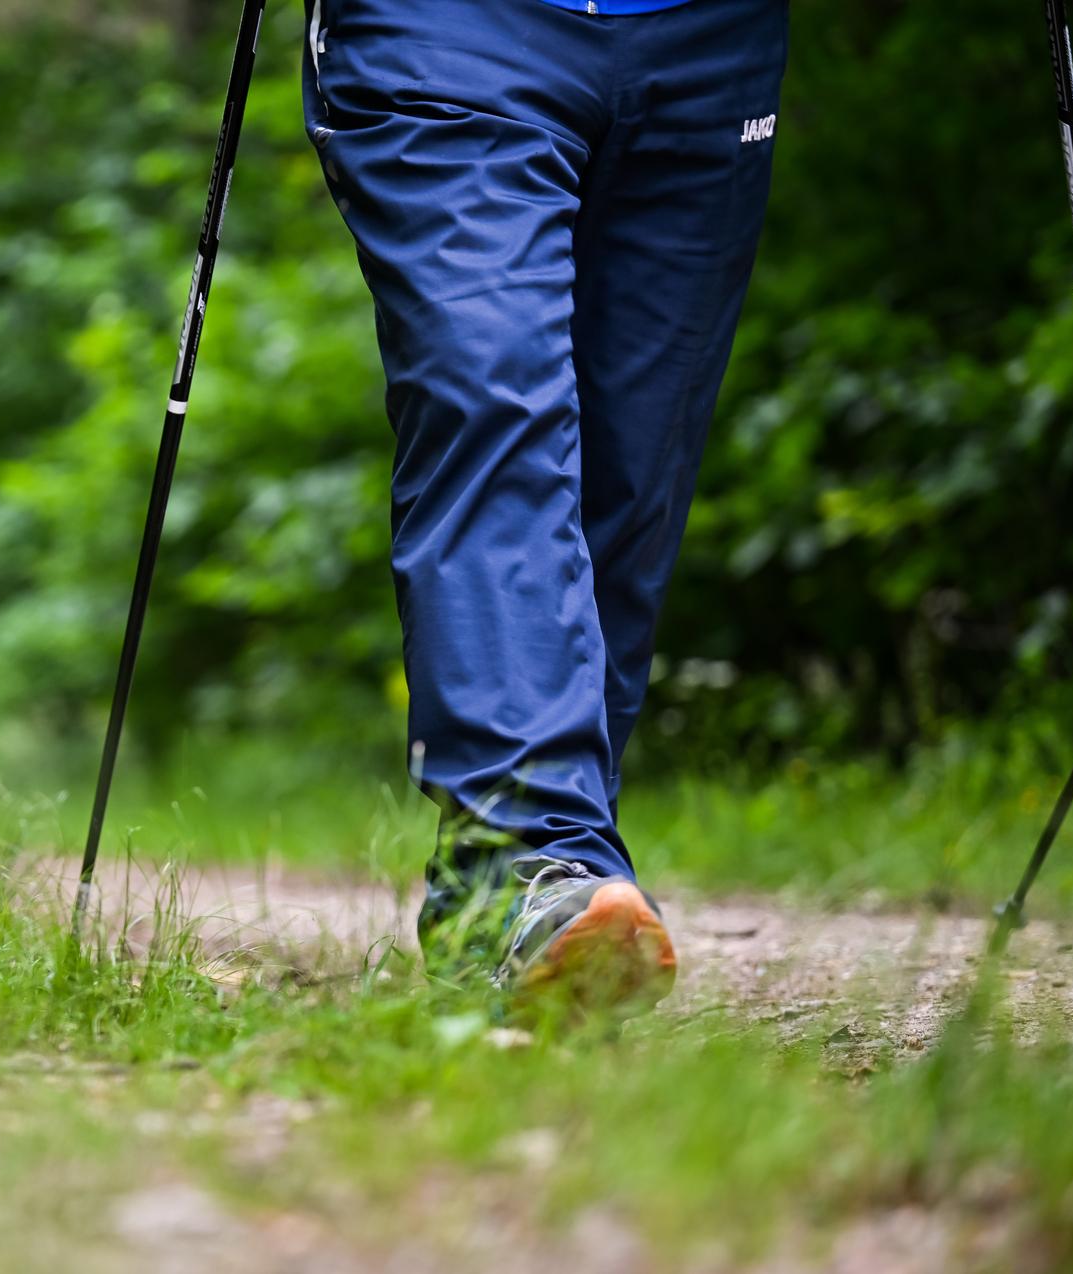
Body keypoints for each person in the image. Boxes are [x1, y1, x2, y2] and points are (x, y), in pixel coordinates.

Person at [304, 0, 788, 1010]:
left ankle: (515, 903)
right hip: (443, 31)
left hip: (711, 36)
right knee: (491, 401)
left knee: (633, 469)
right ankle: (536, 857)